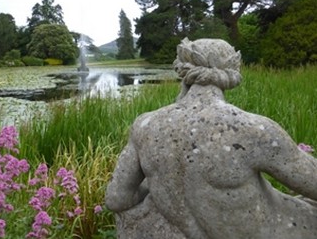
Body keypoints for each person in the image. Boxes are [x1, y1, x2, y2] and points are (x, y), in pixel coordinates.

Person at [106, 38, 317, 238]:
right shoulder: (251, 129)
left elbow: (117, 198)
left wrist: (157, 184)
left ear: (184, 70)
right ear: (232, 69)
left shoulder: (146, 125)